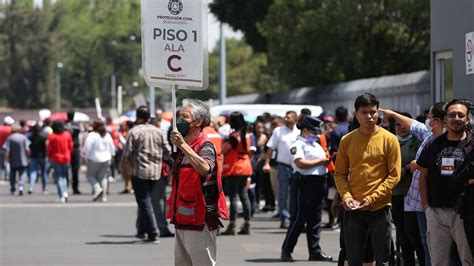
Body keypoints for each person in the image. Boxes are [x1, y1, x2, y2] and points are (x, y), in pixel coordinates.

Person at [334, 93, 401, 265]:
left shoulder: (390, 139)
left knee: (383, 259)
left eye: (373, 112)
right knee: (354, 259)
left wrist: (372, 198)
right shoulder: (347, 140)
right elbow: (340, 174)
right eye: (364, 112)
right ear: (356, 114)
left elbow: (394, 175)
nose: (369, 116)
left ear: (378, 112)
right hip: (353, 209)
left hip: (379, 207)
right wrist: (347, 197)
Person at [381, 103, 447, 266]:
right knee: (422, 241)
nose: (427, 120)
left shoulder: (446, 141)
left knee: (433, 245)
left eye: (429, 117)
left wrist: (419, 164)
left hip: (431, 201)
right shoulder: (429, 135)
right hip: (417, 200)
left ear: (437, 121)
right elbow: (414, 125)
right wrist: (393, 115)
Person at [167, 99, 228, 266]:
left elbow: (205, 168)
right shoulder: (185, 145)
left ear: (198, 121)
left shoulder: (204, 144)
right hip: (182, 217)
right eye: (179, 116)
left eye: (184, 116)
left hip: (200, 219)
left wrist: (182, 146)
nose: (179, 120)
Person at [417, 98, 473, 265]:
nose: (456, 118)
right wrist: (426, 207)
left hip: (466, 213)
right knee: (438, 261)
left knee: (468, 260)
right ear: (446, 119)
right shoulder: (434, 144)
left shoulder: (473, 144)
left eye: (460, 115)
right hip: (437, 212)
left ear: (467, 119)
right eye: (452, 115)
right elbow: (423, 175)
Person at [281, 115, 332, 262]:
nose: (316, 134)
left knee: (315, 219)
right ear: (305, 130)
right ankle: (287, 250)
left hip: (319, 182)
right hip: (305, 183)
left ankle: (314, 250)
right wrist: (321, 161)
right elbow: (300, 163)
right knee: (299, 219)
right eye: (313, 131)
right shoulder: (297, 144)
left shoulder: (315, 144)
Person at [121, 105, 170, 243]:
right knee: (147, 201)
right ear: (149, 118)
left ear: (137, 118)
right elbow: (166, 150)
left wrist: (122, 167)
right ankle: (142, 230)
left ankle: (153, 233)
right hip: (156, 171)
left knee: (144, 202)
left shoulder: (134, 132)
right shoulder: (158, 131)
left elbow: (126, 153)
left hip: (139, 171)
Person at [391, 112, 423, 266]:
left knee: (414, 233)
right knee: (401, 232)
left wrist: (405, 169)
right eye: (397, 124)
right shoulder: (391, 141)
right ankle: (407, 262)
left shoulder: (418, 141)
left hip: (413, 193)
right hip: (396, 193)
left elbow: (419, 162)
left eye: (403, 124)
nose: (401, 127)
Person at [263, 111, 300, 229]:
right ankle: (284, 218)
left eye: (289, 117)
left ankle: (294, 217)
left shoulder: (299, 132)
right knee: (283, 193)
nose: (286, 119)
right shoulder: (278, 131)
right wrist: (266, 163)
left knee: (295, 193)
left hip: (296, 167)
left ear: (295, 119)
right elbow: (270, 148)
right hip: (282, 166)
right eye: (285, 117)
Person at [221, 111, 253, 235]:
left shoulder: (234, 136)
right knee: (244, 196)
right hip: (245, 166)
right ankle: (247, 223)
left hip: (235, 167)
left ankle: (232, 225)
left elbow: (224, 150)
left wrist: (224, 142)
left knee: (233, 197)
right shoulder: (247, 134)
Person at [83, 119, 115, 202]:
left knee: (90, 176)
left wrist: (85, 157)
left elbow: (87, 148)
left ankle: (97, 188)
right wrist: (112, 156)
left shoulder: (92, 135)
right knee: (103, 177)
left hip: (94, 158)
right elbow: (112, 148)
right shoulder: (107, 135)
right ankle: (103, 196)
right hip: (106, 158)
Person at [47, 120, 73, 203]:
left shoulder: (52, 136)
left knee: (59, 177)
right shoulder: (67, 134)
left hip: (56, 158)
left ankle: (62, 194)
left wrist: (49, 156)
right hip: (66, 157)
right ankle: (65, 192)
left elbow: (49, 148)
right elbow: (70, 146)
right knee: (65, 176)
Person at [3, 124, 30, 196]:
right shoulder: (24, 137)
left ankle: (13, 189)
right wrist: (28, 157)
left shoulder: (10, 138)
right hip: (23, 159)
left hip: (13, 159)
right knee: (22, 174)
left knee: (12, 175)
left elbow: (7, 150)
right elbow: (27, 149)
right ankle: (21, 187)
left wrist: (5, 159)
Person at [65, 111, 82, 195]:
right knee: (75, 170)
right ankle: (75, 188)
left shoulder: (64, 125)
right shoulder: (77, 125)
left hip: (66, 148)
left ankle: (65, 187)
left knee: (66, 169)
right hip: (75, 147)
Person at [28, 124, 48, 194]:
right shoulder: (44, 137)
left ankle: (31, 187)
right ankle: (44, 188)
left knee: (33, 172)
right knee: (44, 173)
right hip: (43, 156)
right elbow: (46, 146)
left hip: (33, 156)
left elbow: (28, 147)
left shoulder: (30, 137)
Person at [0, 116, 14, 181]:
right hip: (9, 149)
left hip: (0, 148)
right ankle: (7, 176)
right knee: (7, 163)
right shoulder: (11, 129)